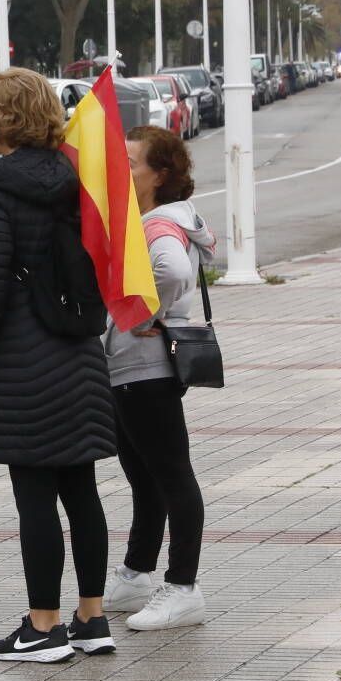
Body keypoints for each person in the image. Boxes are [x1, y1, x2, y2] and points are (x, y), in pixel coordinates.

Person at [0, 68, 115, 663]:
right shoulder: (79, 176)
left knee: (34, 496)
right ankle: (92, 618)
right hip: (80, 351)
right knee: (82, 491)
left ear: (1, 121)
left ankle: (42, 626)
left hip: (23, 359)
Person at [103, 125, 214, 632]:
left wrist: (144, 316)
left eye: (131, 163)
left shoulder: (157, 226)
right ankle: (136, 573)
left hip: (146, 368)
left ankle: (183, 588)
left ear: (160, 175)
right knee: (144, 475)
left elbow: (171, 272)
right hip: (135, 368)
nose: (121, 171)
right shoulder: (153, 220)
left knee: (171, 475)